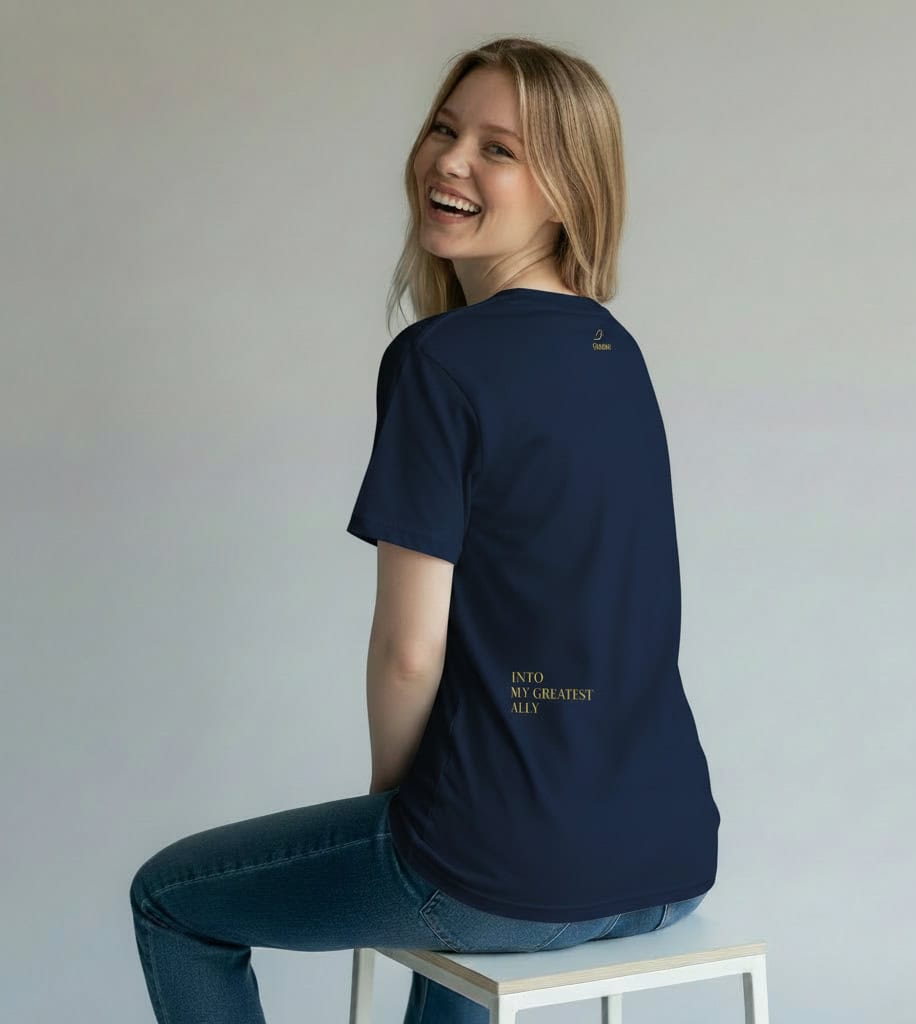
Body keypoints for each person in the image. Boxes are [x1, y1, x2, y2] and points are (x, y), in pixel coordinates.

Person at [129, 35, 720, 1024]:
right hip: (669, 859)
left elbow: (409, 652)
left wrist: (397, 819)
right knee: (477, 858)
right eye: (445, 129)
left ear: (567, 191)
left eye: (498, 149)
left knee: (171, 902)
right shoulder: (616, 352)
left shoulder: (440, 362)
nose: (450, 160)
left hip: (504, 868)